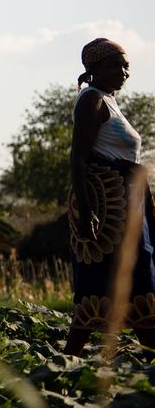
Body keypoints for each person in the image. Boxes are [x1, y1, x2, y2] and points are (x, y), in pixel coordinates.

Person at [64, 38, 155, 356]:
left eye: (127, 64)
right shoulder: (91, 100)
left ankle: (71, 357)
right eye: (117, 64)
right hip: (106, 207)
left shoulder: (108, 100)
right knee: (107, 276)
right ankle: (70, 358)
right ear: (95, 68)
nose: (124, 70)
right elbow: (78, 159)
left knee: (136, 273)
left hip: (125, 204)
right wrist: (87, 211)